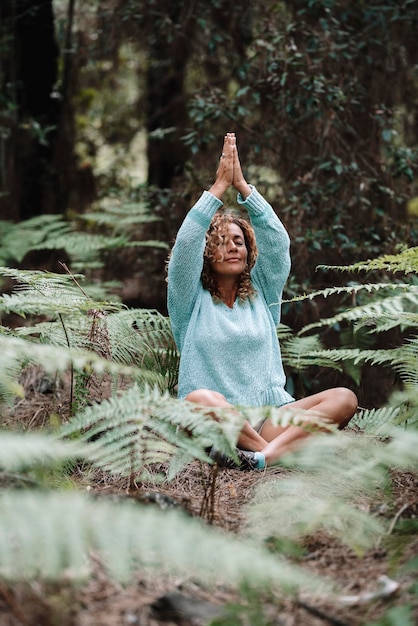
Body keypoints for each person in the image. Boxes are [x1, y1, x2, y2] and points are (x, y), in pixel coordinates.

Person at [167, 132, 358, 470]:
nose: (233, 247)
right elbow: (184, 249)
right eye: (222, 241)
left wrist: (243, 187)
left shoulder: (263, 295)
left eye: (239, 241)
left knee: (344, 398)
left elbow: (278, 242)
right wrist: (217, 189)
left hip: (269, 417)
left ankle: (259, 458)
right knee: (197, 398)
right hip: (215, 420)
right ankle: (275, 452)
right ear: (207, 253)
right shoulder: (190, 301)